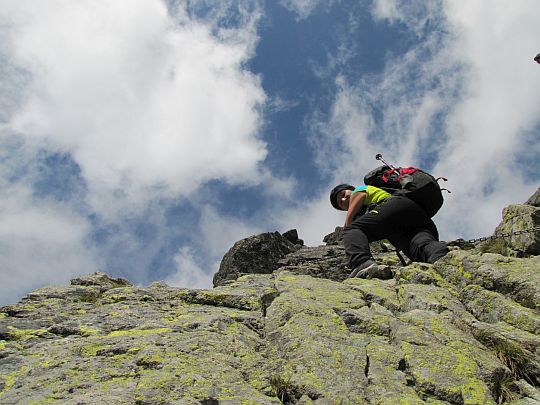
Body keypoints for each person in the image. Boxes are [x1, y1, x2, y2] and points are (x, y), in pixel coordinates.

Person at [330, 183, 448, 278]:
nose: (344, 199)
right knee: (420, 246)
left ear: (350, 189)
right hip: (414, 217)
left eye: (343, 194)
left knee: (352, 229)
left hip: (393, 206)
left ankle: (361, 263)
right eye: (341, 202)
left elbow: (359, 198)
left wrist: (347, 226)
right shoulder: (364, 212)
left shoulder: (359, 190)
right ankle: (440, 255)